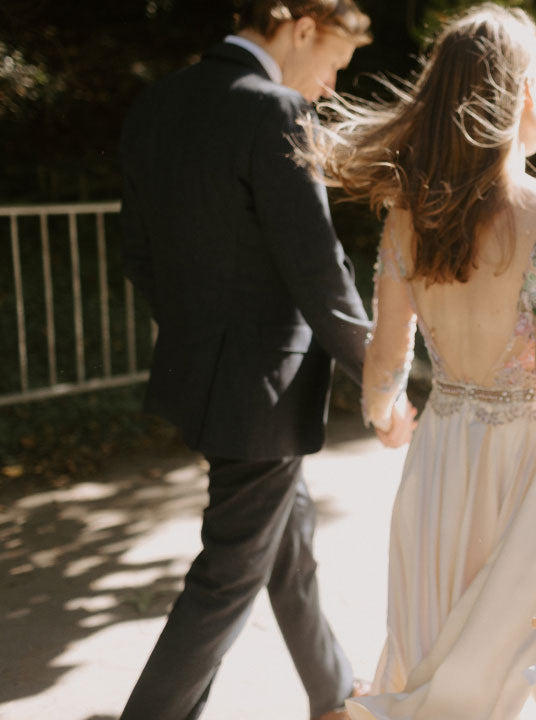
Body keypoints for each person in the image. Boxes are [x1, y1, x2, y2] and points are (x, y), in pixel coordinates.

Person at [300, 5, 536, 718]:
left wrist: (385, 414)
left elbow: (386, 358)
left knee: (428, 643)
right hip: (525, 474)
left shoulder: (408, 214)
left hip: (439, 459)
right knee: (499, 662)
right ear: (524, 92)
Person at [118, 2, 386, 718]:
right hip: (262, 390)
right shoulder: (275, 110)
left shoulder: (156, 101)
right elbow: (318, 268)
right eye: (332, 62)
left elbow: (138, 255)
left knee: (286, 546)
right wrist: (380, 376)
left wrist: (198, 336)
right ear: (300, 29)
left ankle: (332, 691)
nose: (329, 85)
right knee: (226, 580)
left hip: (202, 375)